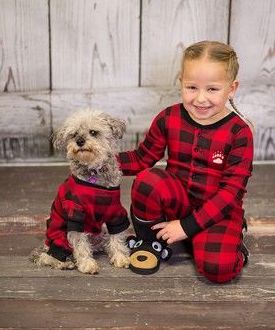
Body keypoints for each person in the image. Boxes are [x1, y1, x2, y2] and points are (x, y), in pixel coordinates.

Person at [118, 40, 254, 283]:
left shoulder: (239, 133)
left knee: (218, 270)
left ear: (232, 88)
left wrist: (187, 227)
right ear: (181, 81)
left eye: (212, 89)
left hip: (217, 210)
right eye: (192, 87)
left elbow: (230, 193)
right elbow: (142, 158)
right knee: (148, 180)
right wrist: (101, 162)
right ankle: (149, 241)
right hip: (177, 202)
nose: (200, 99)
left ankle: (231, 241)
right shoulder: (168, 118)